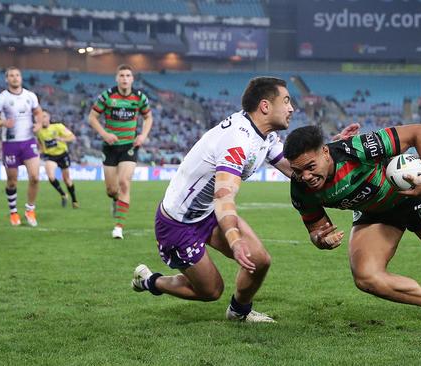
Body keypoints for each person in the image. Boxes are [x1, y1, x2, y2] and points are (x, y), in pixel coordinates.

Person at [131, 77, 359, 322]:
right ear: (265, 106)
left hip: (208, 213)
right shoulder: (238, 141)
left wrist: (329, 151)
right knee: (211, 290)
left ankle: (238, 312)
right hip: (178, 224)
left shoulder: (263, 136)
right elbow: (224, 195)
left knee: (259, 260)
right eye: (286, 101)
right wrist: (234, 240)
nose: (292, 108)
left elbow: (296, 169)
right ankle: (150, 281)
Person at [282, 124, 421, 341]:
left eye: (310, 167)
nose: (306, 176)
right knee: (366, 276)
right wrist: (320, 240)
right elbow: (317, 229)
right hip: (374, 213)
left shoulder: (356, 149)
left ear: (325, 152)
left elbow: (420, 132)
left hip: (413, 195)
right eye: (298, 171)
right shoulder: (300, 189)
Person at [88, 64, 153, 239]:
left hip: (129, 147)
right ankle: (115, 200)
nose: (125, 78)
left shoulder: (139, 98)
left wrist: (143, 135)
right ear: (117, 78)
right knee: (111, 189)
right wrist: (104, 133)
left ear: (132, 79)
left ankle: (118, 227)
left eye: (128, 75)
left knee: (124, 182)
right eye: (122, 75)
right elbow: (92, 116)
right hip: (110, 147)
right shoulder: (107, 96)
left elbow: (148, 117)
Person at [0, 66, 43, 226]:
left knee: (35, 177)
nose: (15, 78)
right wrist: (2, 122)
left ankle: (30, 209)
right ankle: (13, 212)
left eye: (17, 75)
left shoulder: (30, 96)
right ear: (7, 79)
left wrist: (38, 124)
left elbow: (38, 112)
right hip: (10, 144)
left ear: (21, 78)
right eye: (11, 75)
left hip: (28, 141)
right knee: (12, 181)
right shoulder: (1, 98)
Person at [36, 110, 79, 208]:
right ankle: (63, 194)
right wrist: (38, 152)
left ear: (49, 118)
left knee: (66, 179)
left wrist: (62, 139)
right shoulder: (38, 131)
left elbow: (72, 137)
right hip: (50, 156)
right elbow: (42, 145)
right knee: (51, 176)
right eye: (41, 117)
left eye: (45, 116)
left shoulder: (58, 127)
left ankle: (74, 200)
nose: (43, 119)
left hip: (62, 154)